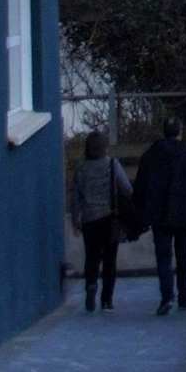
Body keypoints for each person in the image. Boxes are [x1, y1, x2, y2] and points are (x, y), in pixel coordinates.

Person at [133, 117, 186, 315]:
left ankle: (166, 297)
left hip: (159, 214)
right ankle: (184, 296)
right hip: (184, 212)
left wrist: (142, 210)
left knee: (163, 257)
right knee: (183, 256)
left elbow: (140, 185)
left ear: (164, 132)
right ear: (180, 132)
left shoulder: (151, 154)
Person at [68, 129, 130, 313]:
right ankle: (107, 300)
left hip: (89, 219)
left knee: (92, 257)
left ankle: (91, 285)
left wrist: (75, 220)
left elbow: (76, 198)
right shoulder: (112, 164)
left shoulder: (81, 168)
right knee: (110, 259)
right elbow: (127, 188)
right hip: (110, 218)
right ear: (104, 147)